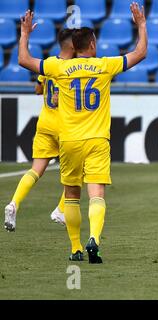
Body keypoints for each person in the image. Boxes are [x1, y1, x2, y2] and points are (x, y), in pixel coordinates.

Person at [17, 2, 148, 263]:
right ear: (91, 45)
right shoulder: (105, 66)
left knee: (72, 196)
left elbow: (24, 60)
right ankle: (95, 240)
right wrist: (141, 25)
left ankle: (76, 248)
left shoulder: (59, 67)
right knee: (96, 194)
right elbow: (140, 53)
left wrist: (24, 35)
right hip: (98, 140)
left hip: (69, 142)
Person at [4, 28, 76, 232]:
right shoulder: (75, 67)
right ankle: (61, 210)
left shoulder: (49, 64)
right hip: (65, 126)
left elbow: (37, 89)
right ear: (72, 45)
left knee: (36, 170)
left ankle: (14, 204)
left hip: (45, 122)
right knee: (78, 171)